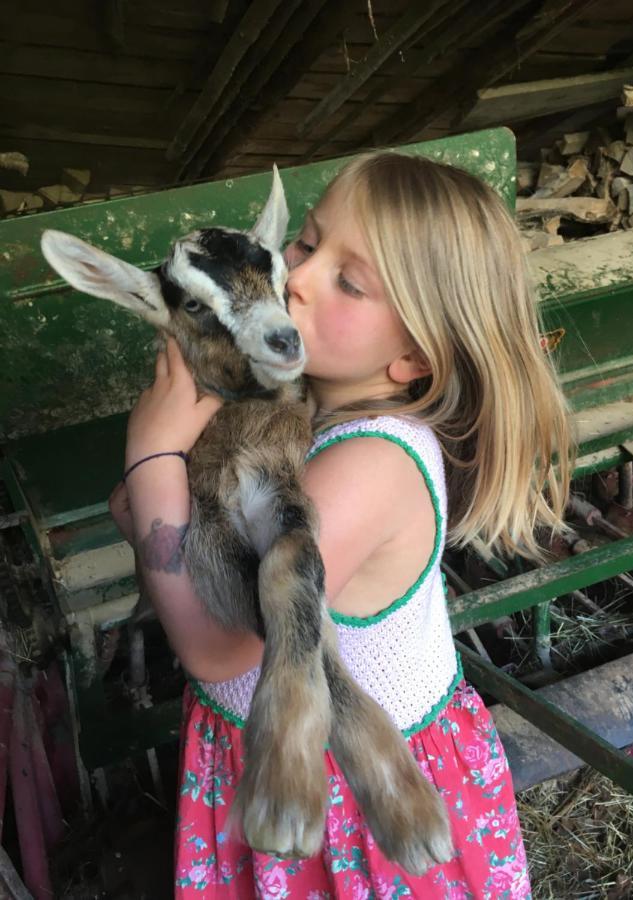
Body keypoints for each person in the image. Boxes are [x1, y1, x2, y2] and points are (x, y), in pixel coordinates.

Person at [109, 152, 572, 898]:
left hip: (347, 803)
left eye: (347, 281)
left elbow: (212, 646)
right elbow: (155, 518)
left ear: (412, 356)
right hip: (275, 764)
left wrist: (151, 451)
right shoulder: (297, 409)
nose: (293, 277)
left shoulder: (372, 462)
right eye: (306, 243)